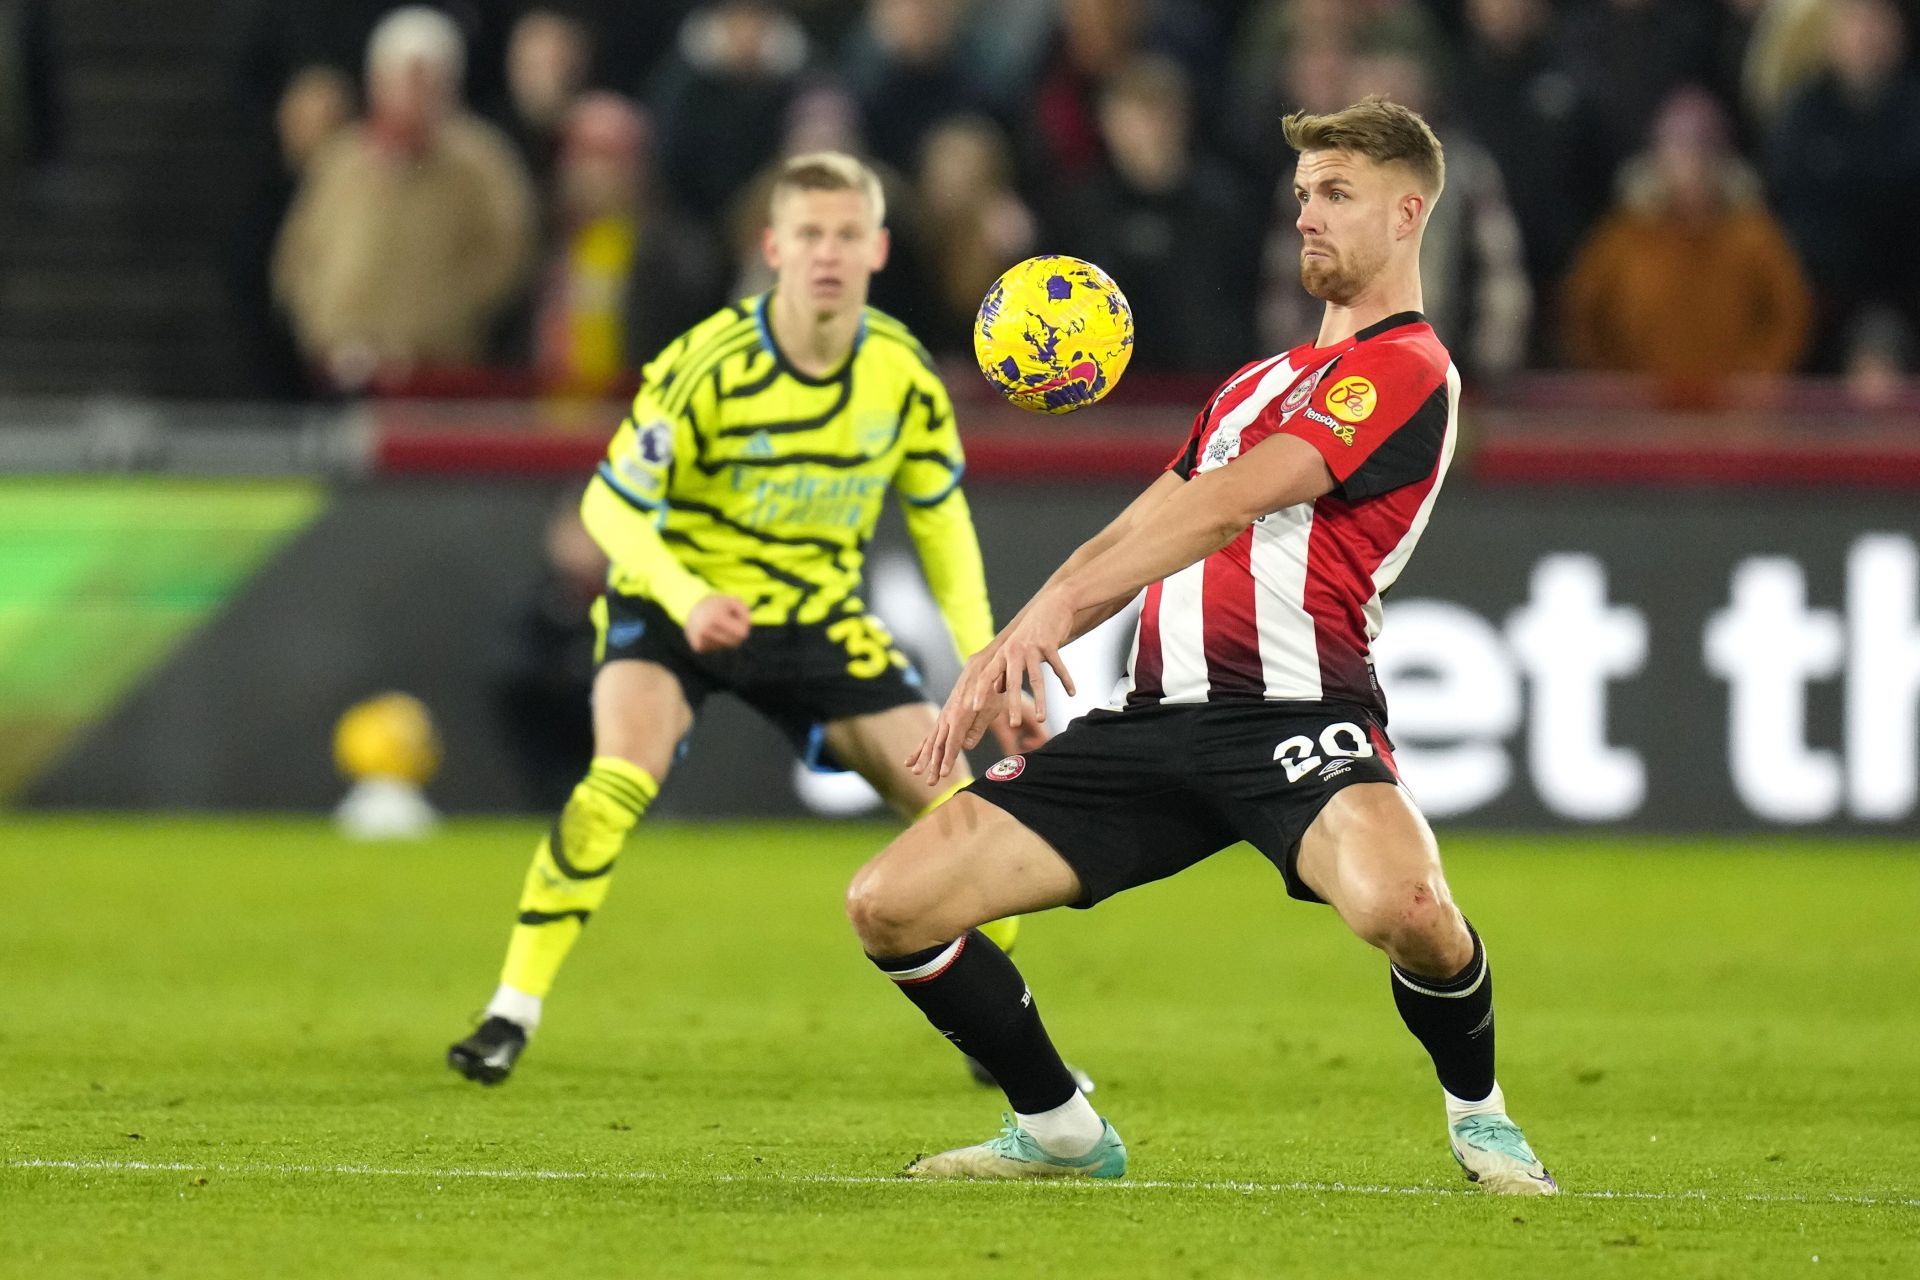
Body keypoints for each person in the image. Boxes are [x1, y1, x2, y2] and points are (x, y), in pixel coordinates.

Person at [844, 96, 1558, 1196]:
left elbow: (1231, 505)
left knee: (1408, 912)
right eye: (1304, 194)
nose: (1308, 216)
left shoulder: (1409, 366)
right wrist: (1019, 646)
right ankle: (1059, 1126)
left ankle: (1482, 1114)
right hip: (1151, 722)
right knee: (889, 903)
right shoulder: (1252, 383)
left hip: (1297, 719)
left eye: (1337, 194)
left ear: (1410, 212)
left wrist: (1041, 620)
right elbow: (1142, 525)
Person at [447, 150, 1052, 1087]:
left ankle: (995, 1037)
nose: (828, 253)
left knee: (960, 812)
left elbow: (940, 522)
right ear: (772, 246)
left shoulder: (902, 377)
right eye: (809, 234)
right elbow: (607, 508)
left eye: (847, 234)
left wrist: (982, 652)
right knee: (619, 778)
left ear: (879, 249)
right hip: (677, 607)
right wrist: (689, 598)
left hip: (815, 622)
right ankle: (509, 1013)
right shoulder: (708, 365)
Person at [270, 6, 536, 391]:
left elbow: (508, 256)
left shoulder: (481, 163)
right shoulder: (341, 161)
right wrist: (319, 323)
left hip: (441, 375)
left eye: (426, 82)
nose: (413, 97)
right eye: (402, 81)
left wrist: (444, 320)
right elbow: (298, 255)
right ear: (376, 81)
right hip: (338, 372)